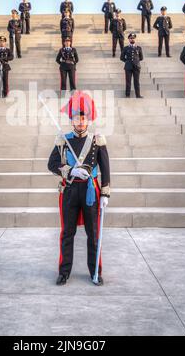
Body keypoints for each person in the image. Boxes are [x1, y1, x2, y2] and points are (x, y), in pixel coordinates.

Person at [48, 91, 111, 286]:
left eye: (84, 119)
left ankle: (95, 272)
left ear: (88, 120)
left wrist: (105, 193)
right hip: (69, 191)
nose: (81, 122)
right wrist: (70, 171)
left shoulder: (97, 140)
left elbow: (105, 168)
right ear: (72, 120)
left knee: (93, 234)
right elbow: (51, 164)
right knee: (67, 232)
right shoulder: (62, 140)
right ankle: (64, 271)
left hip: (91, 190)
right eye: (77, 118)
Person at [120, 33, 144, 99]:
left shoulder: (139, 48)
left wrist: (135, 62)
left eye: (133, 38)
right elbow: (121, 58)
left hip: (136, 67)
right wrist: (127, 62)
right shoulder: (125, 48)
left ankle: (138, 95)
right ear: (129, 39)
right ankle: (127, 95)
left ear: (135, 39)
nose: (132, 39)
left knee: (136, 81)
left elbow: (141, 58)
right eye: (131, 38)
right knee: (128, 81)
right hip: (128, 67)